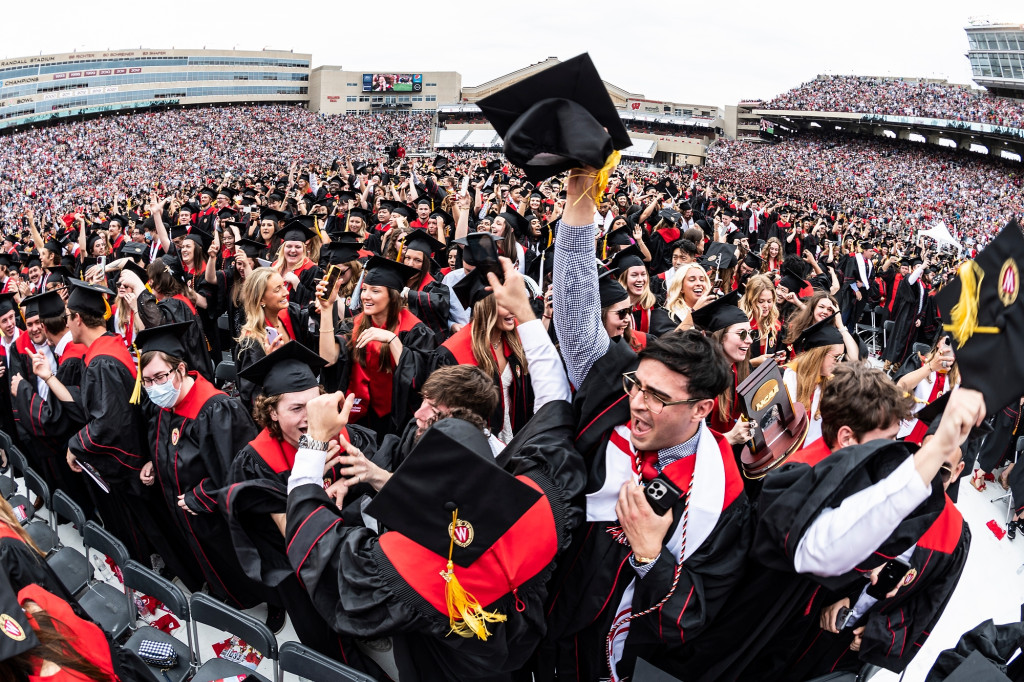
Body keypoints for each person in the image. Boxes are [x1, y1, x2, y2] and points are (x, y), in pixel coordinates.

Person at [541, 167, 750, 681]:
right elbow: (574, 309)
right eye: (639, 384)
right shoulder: (616, 393)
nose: (636, 403)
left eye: (658, 397)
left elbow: (693, 614)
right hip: (538, 615)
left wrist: (650, 555)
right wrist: (581, 191)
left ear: (702, 408)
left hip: (611, 653)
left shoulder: (722, 495)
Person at [283, 388, 584, 681]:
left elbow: (317, 547)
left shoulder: (418, 566)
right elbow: (554, 424)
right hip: (517, 658)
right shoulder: (542, 508)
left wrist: (315, 442)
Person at [224, 341, 380, 666]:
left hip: (353, 561)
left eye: (313, 406)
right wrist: (314, 484)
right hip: (306, 579)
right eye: (296, 409)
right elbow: (292, 534)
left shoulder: (347, 436)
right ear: (271, 412)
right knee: (336, 652)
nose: (310, 419)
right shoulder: (256, 461)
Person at [134, 322, 265, 611]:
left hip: (220, 516)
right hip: (192, 519)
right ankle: (225, 595)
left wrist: (201, 496)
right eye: (147, 381)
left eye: (160, 377)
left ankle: (267, 602)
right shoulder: (166, 404)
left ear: (180, 370)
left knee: (238, 562)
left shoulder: (216, 409)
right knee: (213, 560)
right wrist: (155, 463)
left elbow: (239, 469)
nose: (154, 388)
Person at [437, 257, 570, 445]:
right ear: (486, 308)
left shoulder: (520, 338)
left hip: (519, 439)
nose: (512, 310)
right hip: (480, 446)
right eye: (504, 304)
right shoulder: (452, 354)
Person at [345, 256, 436, 435]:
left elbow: (418, 379)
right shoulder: (353, 325)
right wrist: (326, 310)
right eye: (364, 289)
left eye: (375, 291)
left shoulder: (416, 331)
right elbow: (331, 361)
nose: (366, 296)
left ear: (392, 296)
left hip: (397, 419)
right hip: (360, 414)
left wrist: (392, 340)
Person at [782, 314, 847, 448]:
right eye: (836, 357)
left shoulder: (829, 382)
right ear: (818, 355)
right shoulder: (788, 377)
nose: (838, 363)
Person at [609, 245, 674, 337]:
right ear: (623, 279)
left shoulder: (657, 303)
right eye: (634, 275)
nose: (640, 279)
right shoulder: (613, 310)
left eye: (643, 274)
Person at [398, 230, 452, 339]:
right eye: (407, 258)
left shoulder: (432, 285)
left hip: (419, 341)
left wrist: (410, 294)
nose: (410, 264)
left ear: (425, 264)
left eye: (417, 260)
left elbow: (440, 303)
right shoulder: (396, 280)